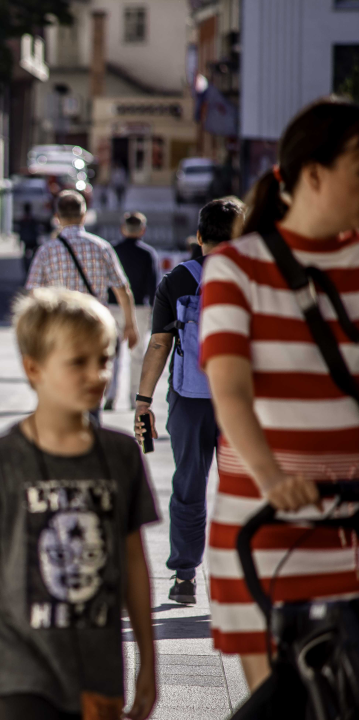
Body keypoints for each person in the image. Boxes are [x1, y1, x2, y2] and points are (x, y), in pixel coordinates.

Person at [199, 97, 359, 690]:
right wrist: (273, 479)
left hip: (352, 519)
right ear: (314, 174)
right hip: (270, 524)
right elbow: (231, 390)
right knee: (286, 700)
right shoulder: (238, 268)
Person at [0, 287, 158, 720]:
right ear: (33, 368)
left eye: (104, 360)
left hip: (99, 671)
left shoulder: (121, 456)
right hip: (18, 670)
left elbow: (133, 560)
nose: (97, 375)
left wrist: (149, 662)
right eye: (78, 362)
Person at [134, 198, 244, 606]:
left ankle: (184, 577)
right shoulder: (256, 277)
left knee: (189, 483)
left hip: (190, 396)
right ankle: (239, 577)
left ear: (199, 237)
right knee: (242, 488)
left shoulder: (178, 279)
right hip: (242, 401)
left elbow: (160, 343)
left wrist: (143, 401)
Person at [26, 190, 140, 419]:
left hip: (59, 330)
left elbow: (33, 295)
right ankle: (92, 435)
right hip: (95, 328)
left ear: (57, 216)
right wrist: (129, 324)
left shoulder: (46, 250)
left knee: (62, 386)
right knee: (92, 388)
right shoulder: (101, 247)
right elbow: (122, 289)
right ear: (84, 215)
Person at [104, 212, 159, 411]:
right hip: (139, 308)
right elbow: (154, 286)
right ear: (142, 230)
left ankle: (110, 395)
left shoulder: (113, 250)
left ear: (123, 228)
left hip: (113, 306)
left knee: (112, 353)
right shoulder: (148, 254)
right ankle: (133, 397)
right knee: (137, 356)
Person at [18, 203, 41, 277]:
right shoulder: (32, 219)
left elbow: (20, 231)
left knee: (27, 256)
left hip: (26, 240)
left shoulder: (23, 219)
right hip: (33, 240)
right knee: (34, 256)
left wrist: (20, 240)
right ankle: (32, 269)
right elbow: (36, 230)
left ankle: (28, 270)